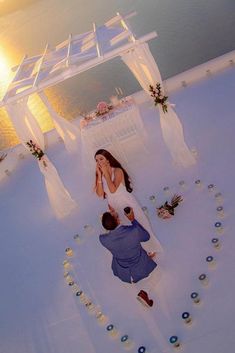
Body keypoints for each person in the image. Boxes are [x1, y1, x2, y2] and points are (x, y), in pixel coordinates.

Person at [94, 149, 163, 254]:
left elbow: (112, 190)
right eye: (97, 160)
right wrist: (99, 175)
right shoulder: (102, 175)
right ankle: (139, 251)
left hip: (126, 203)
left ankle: (151, 249)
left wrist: (106, 174)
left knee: (140, 225)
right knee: (127, 230)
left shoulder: (117, 171)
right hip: (114, 207)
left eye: (101, 159)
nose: (99, 162)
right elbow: (99, 194)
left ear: (108, 158)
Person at [99, 207, 161, 307]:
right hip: (139, 271)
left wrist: (110, 219)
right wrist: (132, 219)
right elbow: (146, 237)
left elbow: (115, 236)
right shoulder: (133, 231)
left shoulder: (103, 239)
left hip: (123, 274)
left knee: (127, 248)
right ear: (117, 220)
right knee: (159, 272)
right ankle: (144, 292)